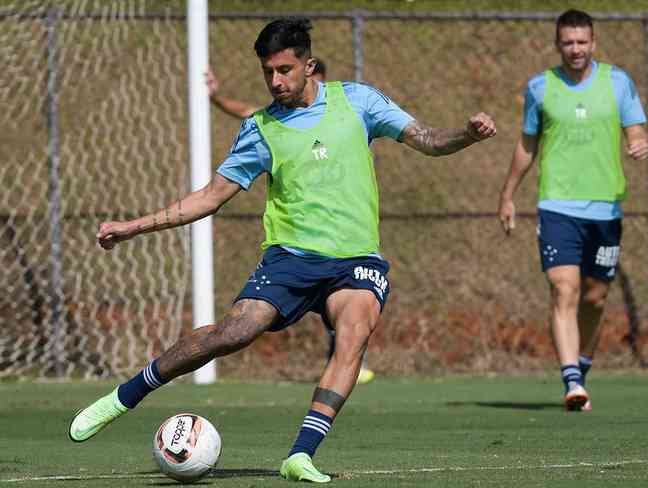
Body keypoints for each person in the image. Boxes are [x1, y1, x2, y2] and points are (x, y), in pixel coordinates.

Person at [69, 18, 496, 482]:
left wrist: (468, 134)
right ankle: (124, 396)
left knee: (354, 332)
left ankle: (300, 455)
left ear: (308, 65)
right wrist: (133, 227)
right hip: (290, 258)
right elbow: (210, 196)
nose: (276, 81)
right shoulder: (260, 128)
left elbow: (429, 140)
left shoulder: (358, 101)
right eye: (268, 72)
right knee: (233, 333)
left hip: (355, 260)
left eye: (285, 70)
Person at [498, 9, 647, 412]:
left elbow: (635, 130)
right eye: (568, 42)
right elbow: (527, 145)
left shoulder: (618, 82)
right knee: (565, 287)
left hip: (606, 208)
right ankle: (571, 380)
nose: (576, 49)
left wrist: (639, 142)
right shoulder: (541, 87)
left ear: (593, 43)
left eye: (582, 42)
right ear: (557, 44)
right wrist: (508, 194)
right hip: (557, 206)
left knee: (596, 298)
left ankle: (581, 365)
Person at [205, 59, 377, 385]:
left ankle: (346, 360)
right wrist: (216, 97)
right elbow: (247, 111)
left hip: (347, 231)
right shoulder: (280, 119)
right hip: (302, 239)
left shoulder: (345, 114)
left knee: (351, 302)